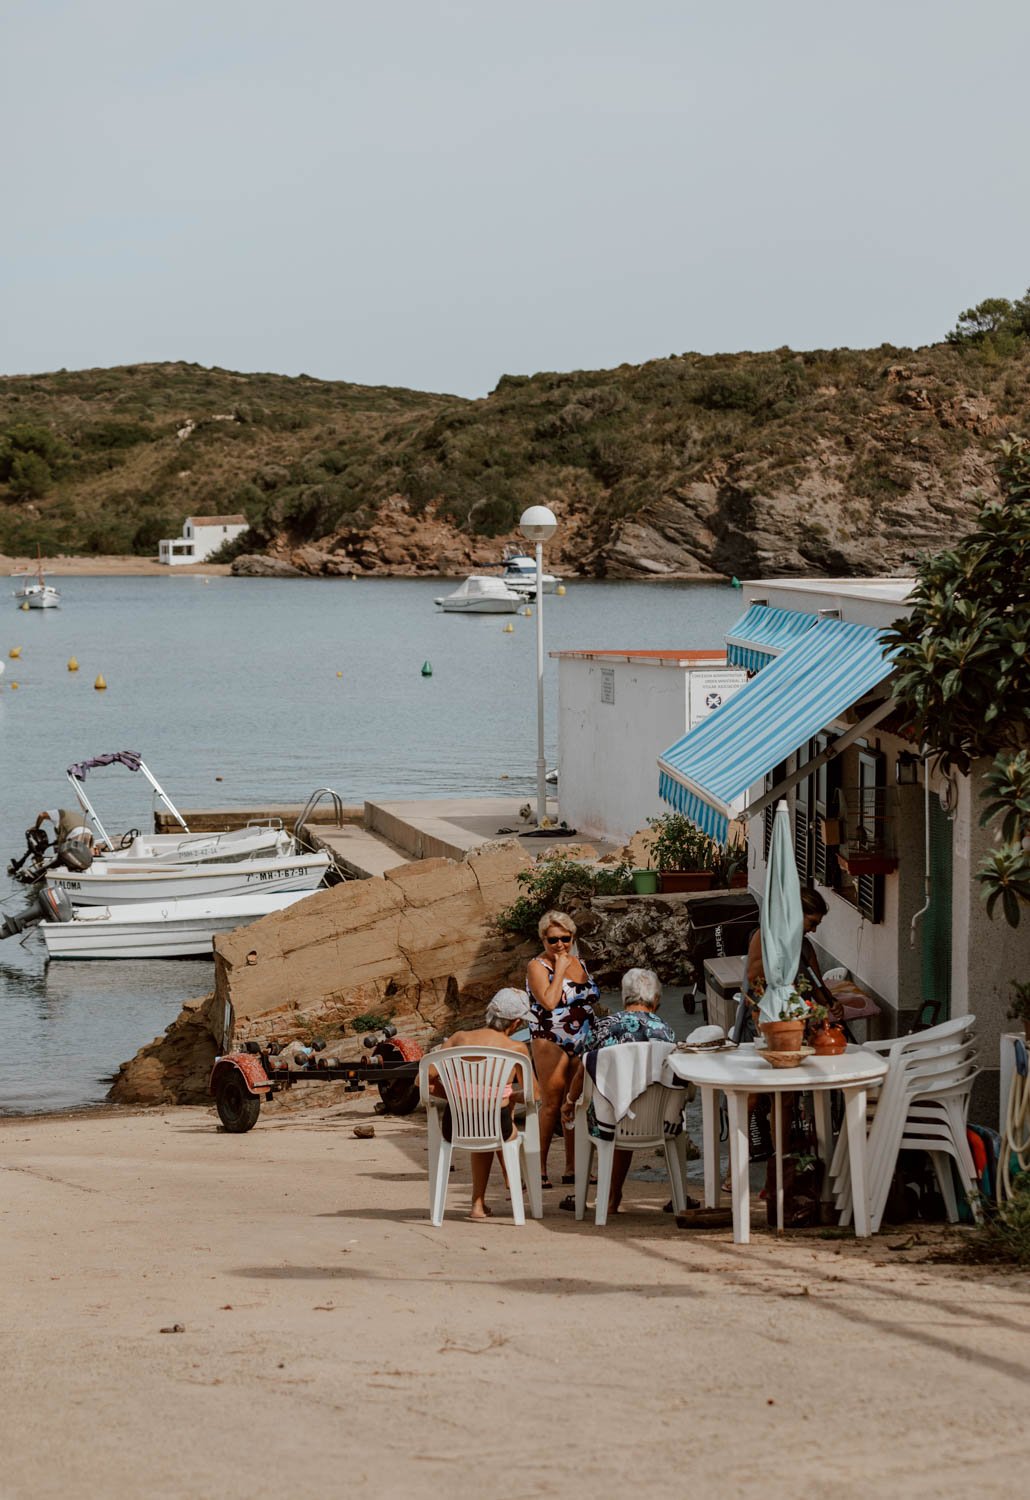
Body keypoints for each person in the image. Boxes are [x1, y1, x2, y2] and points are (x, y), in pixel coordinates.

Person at [560, 968, 678, 1216]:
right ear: (655, 999)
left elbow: (583, 1072)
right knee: (631, 1102)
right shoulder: (666, 1031)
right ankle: (678, 1195)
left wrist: (569, 1101)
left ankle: (611, 1198)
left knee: (613, 1104)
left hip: (610, 1120)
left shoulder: (604, 1027)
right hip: (657, 1120)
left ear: (625, 998)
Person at [426, 988, 535, 1222]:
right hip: (498, 1125)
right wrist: (510, 1095)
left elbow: (422, 1080)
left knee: (481, 1120)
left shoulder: (458, 1038)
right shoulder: (516, 1049)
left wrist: (459, 1095)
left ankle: (478, 1204)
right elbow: (533, 1095)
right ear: (516, 1023)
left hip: (455, 1126)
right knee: (496, 1122)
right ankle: (511, 1181)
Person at [526, 909, 599, 1189]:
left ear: (572, 936)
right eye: (552, 940)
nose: (559, 945)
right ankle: (540, 1168)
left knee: (576, 1102)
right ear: (543, 940)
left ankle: (573, 1167)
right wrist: (558, 970)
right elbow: (549, 1001)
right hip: (550, 1037)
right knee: (552, 1103)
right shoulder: (537, 966)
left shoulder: (579, 961)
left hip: (583, 1037)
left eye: (565, 939)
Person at [746, 887, 843, 1019]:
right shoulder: (765, 937)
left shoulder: (805, 947)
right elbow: (753, 978)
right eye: (812, 923)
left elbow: (816, 986)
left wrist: (831, 1003)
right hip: (767, 1021)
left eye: (817, 925)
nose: (813, 930)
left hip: (798, 1023)